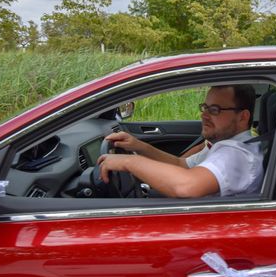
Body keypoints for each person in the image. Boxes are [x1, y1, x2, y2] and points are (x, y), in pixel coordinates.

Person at [97, 84, 264, 198]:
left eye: (215, 110)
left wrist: (128, 162)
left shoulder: (236, 155)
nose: (204, 115)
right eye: (205, 108)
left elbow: (186, 186)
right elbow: (182, 165)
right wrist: (139, 146)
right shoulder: (226, 144)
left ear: (243, 117)